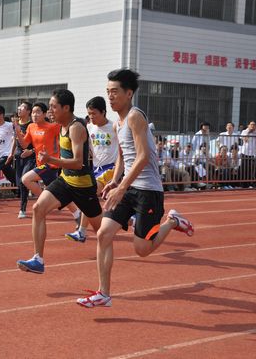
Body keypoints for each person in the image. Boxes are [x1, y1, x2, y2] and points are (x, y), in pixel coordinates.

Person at [77, 69, 193, 308]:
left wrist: (121, 187)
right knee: (103, 234)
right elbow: (122, 156)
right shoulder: (118, 122)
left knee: (142, 249)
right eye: (108, 91)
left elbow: (142, 156)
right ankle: (104, 294)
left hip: (148, 190)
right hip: (128, 187)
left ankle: (172, 222)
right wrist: (115, 180)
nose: (110, 96)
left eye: (115, 92)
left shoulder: (134, 117)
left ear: (129, 93)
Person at [16, 89, 102, 274]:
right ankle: (38, 259)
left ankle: (133, 224)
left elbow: (78, 162)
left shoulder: (76, 127)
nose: (50, 111)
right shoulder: (61, 126)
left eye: (54, 107)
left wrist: (50, 160)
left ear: (66, 108)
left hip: (83, 186)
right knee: (39, 209)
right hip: (65, 180)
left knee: (103, 232)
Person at [15, 102, 82, 225]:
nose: (35, 115)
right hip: (41, 164)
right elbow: (24, 144)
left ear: (44, 114)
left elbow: (66, 132)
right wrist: (18, 132)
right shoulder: (31, 127)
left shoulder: (52, 127)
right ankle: (77, 214)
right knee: (60, 193)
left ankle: (46, 200)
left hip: (51, 164)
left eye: (38, 112)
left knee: (26, 179)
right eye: (33, 112)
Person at [66, 96, 119, 242]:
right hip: (95, 169)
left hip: (111, 168)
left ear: (103, 112)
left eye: (94, 113)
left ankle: (82, 231)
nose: (91, 117)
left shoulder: (114, 127)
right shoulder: (89, 128)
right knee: (92, 199)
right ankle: (132, 219)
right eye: (89, 114)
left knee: (87, 194)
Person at [13, 101, 35, 218]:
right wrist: (11, 154)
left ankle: (22, 209)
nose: (19, 109)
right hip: (18, 156)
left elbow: (39, 143)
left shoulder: (32, 125)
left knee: (23, 181)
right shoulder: (16, 124)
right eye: (18, 108)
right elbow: (14, 140)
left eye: (22, 108)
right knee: (20, 184)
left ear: (28, 111)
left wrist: (31, 151)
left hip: (30, 157)